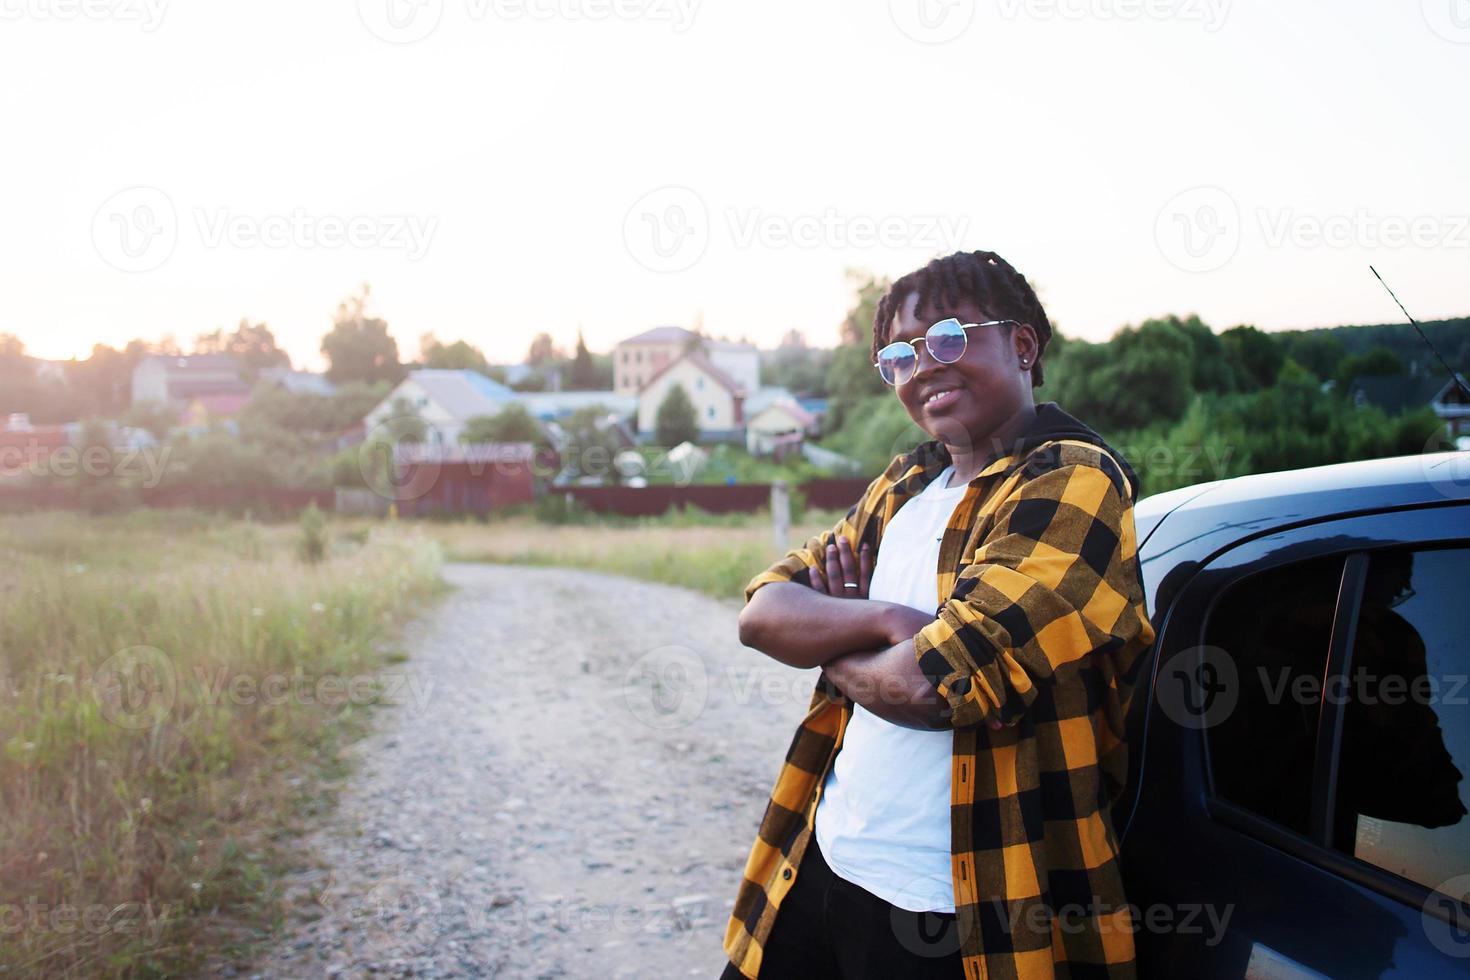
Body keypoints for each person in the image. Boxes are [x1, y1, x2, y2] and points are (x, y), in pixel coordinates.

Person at [719, 250, 1157, 980]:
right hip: (823, 858)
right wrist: (891, 622)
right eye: (899, 354)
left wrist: (836, 638)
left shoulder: (1071, 480)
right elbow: (764, 612)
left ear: (1023, 346)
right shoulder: (906, 484)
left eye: (949, 337)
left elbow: (933, 687)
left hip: (964, 911)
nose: (923, 366)